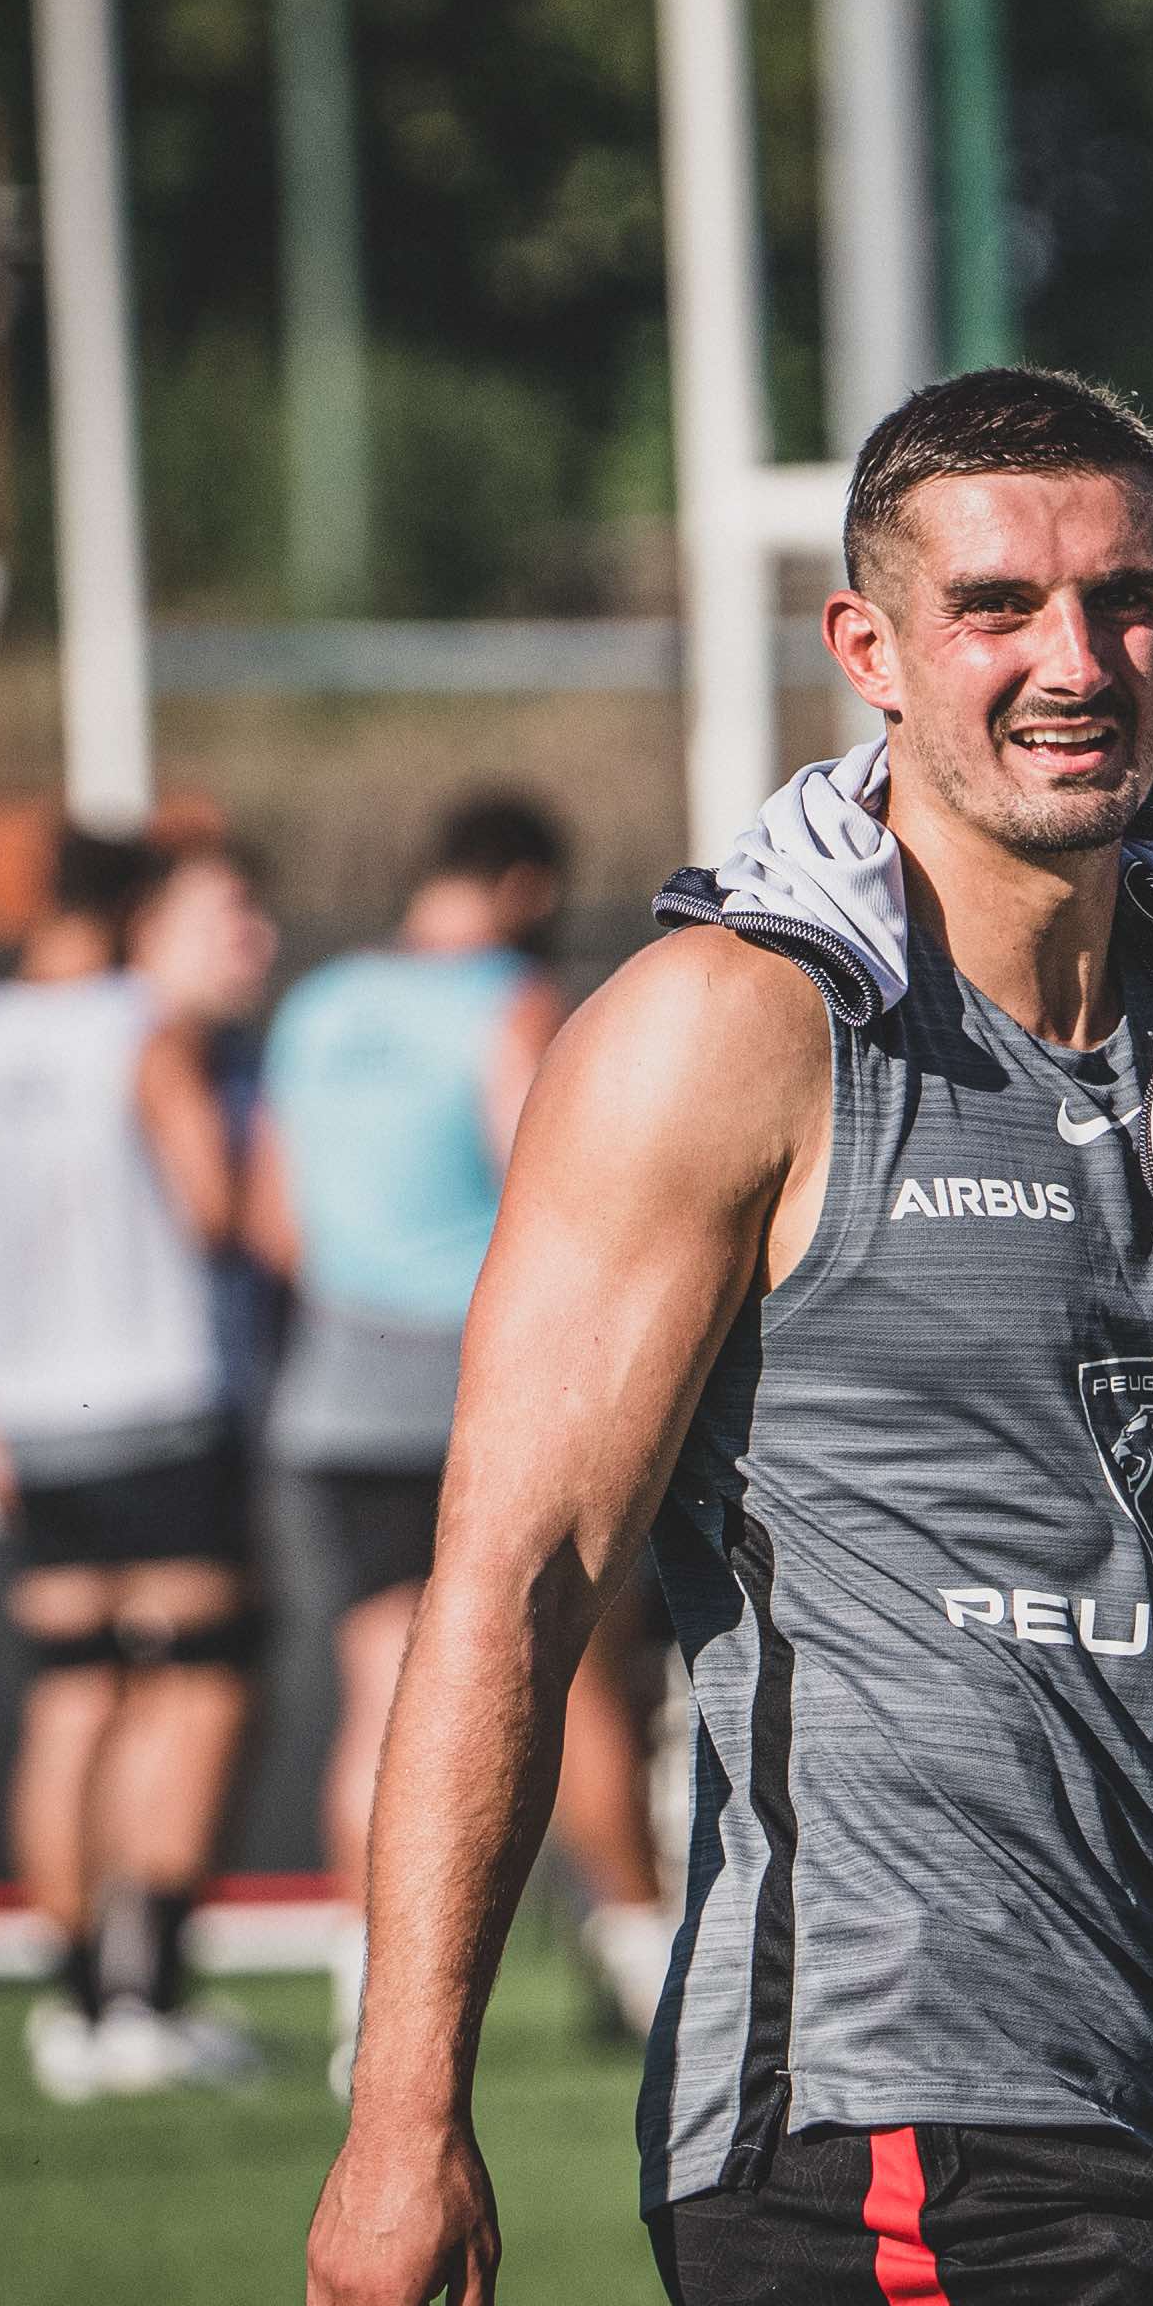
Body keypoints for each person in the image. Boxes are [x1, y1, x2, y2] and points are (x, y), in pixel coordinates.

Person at [304, 367, 1153, 2306]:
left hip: (1151, 2108)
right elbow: (508, 1588)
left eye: (1125, 603)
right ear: (866, 647)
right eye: (997, 607)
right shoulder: (733, 1030)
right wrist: (403, 2114)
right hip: (877, 2115)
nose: (1073, 661)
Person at [253, 792, 674, 2092]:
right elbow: (552, 1189)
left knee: (383, 1691)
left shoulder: (317, 1009)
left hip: (339, 1390)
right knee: (572, 1677)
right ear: (524, 885)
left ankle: (364, 1993)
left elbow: (273, 1217)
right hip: (488, 1381)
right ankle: (644, 1954)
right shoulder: (518, 1000)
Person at [0, 827, 273, 2100]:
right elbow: (218, 1207)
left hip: (27, 1411)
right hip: (161, 1395)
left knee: (71, 1697)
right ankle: (145, 1990)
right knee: (198, 1690)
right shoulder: (149, 1024)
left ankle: (69, 1998)